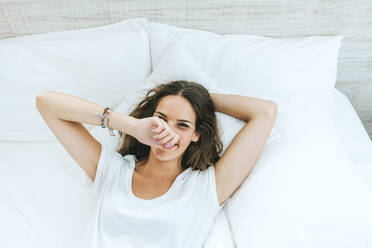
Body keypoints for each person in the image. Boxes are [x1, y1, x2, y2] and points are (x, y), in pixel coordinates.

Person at [35, 80, 277, 248]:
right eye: (161, 119)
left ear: (196, 135)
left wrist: (200, 97)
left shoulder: (204, 188)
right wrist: (131, 126)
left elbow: (265, 111)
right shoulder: (114, 171)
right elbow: (46, 103)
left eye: (182, 125)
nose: (166, 132)